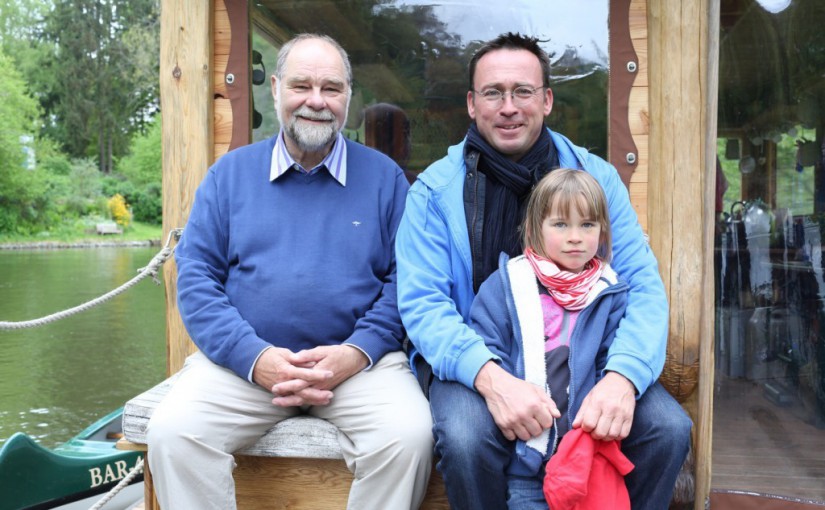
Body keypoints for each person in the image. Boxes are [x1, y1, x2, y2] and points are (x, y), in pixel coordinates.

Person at [395, 32, 691, 510]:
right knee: (467, 438)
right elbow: (423, 306)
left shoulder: (596, 180)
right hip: (478, 358)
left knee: (668, 429)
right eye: (493, 93)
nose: (508, 107)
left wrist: (622, 377)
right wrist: (493, 380)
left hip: (587, 352)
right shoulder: (433, 192)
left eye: (523, 92)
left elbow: (641, 287)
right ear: (471, 104)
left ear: (547, 100)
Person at [146, 33, 433, 510]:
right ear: (277, 88)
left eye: (331, 88)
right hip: (244, 367)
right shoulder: (228, 175)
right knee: (173, 432)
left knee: (410, 436)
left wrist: (355, 353)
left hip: (359, 368)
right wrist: (254, 357)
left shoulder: (386, 179)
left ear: (348, 98)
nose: (316, 101)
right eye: (302, 86)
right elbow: (196, 279)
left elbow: (406, 281)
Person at [468, 168, 632, 508]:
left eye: (587, 225)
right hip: (526, 462)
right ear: (534, 229)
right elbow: (488, 346)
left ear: (603, 230)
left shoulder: (609, 292)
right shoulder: (508, 285)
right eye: (560, 224)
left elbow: (609, 360)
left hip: (585, 462)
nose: (575, 237)